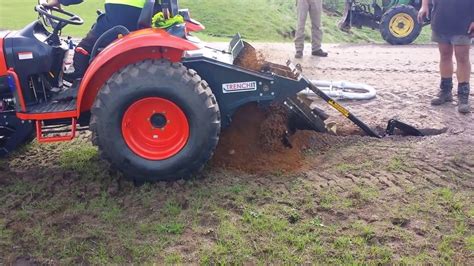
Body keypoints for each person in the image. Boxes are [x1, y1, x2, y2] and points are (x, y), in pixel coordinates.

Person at [44, 0, 147, 83]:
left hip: (119, 18)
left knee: (83, 49)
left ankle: (78, 82)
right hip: (134, 17)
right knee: (96, 27)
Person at [418, 0, 474, 114]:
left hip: (464, 20)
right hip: (441, 18)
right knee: (444, 55)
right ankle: (445, 91)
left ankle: (463, 97)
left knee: (462, 57)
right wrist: (424, 6)